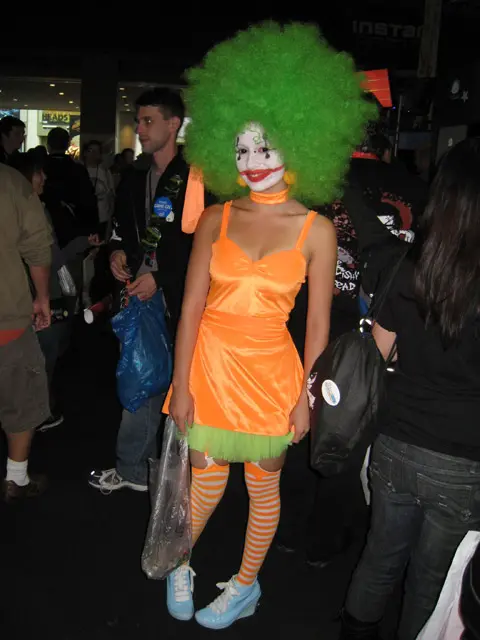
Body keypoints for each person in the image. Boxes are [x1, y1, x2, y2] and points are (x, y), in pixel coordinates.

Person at [161, 22, 374, 630]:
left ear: (301, 144)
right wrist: (181, 384)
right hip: (209, 364)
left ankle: (245, 585)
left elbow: (318, 327)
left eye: (265, 147)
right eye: (240, 149)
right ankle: (181, 561)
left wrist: (307, 398)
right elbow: (191, 308)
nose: (251, 163)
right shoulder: (216, 218)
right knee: (203, 482)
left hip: (272, 374)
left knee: (263, 488)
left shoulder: (317, 230)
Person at [341, 137, 480, 640]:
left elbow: (375, 355)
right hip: (464, 458)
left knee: (379, 559)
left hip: (396, 440)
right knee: (431, 584)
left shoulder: (412, 266)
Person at [88, 87, 216, 494]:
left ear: (173, 124)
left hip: (182, 302)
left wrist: (161, 279)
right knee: (140, 381)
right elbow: (118, 231)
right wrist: (115, 253)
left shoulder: (199, 179)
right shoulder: (134, 177)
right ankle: (137, 470)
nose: (140, 129)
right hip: (139, 298)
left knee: (179, 386)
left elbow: (209, 248)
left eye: (148, 121)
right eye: (139, 121)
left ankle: (172, 474)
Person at [9, 152, 101, 431]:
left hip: (44, 294)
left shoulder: (37, 207)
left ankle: (38, 408)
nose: (44, 178)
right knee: (42, 355)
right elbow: (46, 257)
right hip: (39, 296)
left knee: (46, 353)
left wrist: (81, 243)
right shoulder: (27, 211)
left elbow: (53, 256)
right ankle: (36, 413)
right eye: (39, 173)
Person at [0, 163, 52, 502]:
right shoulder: (8, 182)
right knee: (20, 396)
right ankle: (15, 478)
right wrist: (42, 298)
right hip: (5, 317)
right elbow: (36, 246)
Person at [81, 140, 115, 239]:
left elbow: (111, 197)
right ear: (85, 153)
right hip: (83, 219)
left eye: (97, 151)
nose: (94, 154)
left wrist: (110, 221)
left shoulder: (105, 171)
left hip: (102, 218)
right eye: (91, 151)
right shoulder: (79, 170)